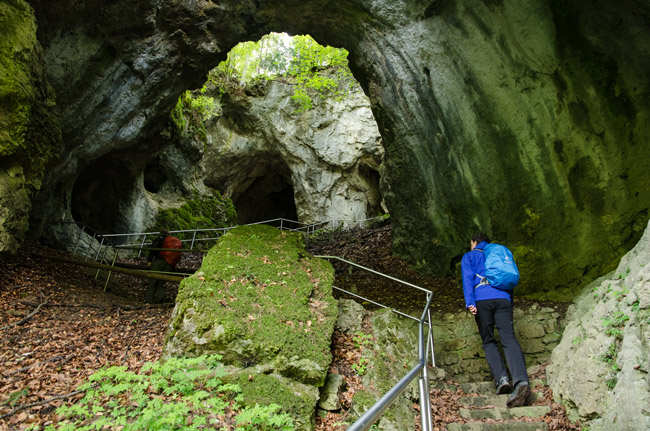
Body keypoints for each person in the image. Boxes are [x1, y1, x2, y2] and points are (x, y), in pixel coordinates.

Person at [461, 232, 530, 407]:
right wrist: (508, 302)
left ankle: (502, 379)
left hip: (482, 299)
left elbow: (467, 279)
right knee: (509, 338)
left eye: (471, 243)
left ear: (474, 242)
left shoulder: (470, 256)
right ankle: (521, 381)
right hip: (503, 299)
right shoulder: (499, 254)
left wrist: (470, 302)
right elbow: (508, 279)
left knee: (488, 341)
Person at [145, 230, 181, 304]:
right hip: (170, 264)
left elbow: (153, 250)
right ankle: (161, 298)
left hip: (160, 261)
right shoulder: (172, 242)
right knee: (161, 282)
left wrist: (150, 260)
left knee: (153, 281)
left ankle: (148, 300)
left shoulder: (160, 239)